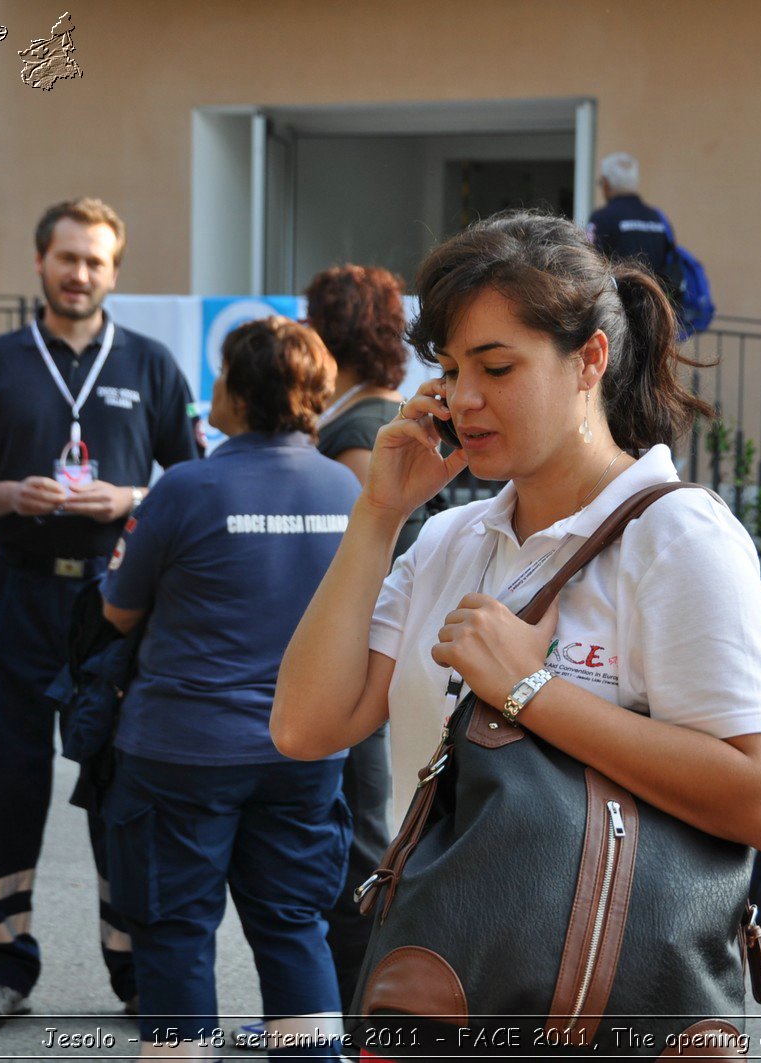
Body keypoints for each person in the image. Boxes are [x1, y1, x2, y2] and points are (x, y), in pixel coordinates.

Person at [271, 211, 761, 1050]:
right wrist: (379, 516)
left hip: (596, 1004)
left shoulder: (678, 536)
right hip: (437, 983)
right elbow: (305, 725)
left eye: (497, 365)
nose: (464, 397)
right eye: (448, 368)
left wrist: (529, 689)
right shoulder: (450, 537)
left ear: (589, 358)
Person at [0, 197, 200, 1031]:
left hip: (118, 603)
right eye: (67, 258)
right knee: (7, 783)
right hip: (19, 593)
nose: (80, 273)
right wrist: (5, 494)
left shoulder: (153, 364)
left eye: (95, 261)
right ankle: (2, 964)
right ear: (40, 262)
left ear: (114, 272)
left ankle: (134, 970)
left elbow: (189, 485)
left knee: (120, 789)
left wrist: (129, 497)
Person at [99, 317, 360, 1060]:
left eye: (220, 375)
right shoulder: (346, 488)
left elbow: (118, 610)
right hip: (304, 748)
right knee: (292, 923)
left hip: (183, 747)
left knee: (176, 930)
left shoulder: (183, 488)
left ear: (241, 393)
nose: (212, 388)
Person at [302, 264, 426, 1008]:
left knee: (354, 847)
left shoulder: (362, 426)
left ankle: (355, 1015)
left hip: (363, 656)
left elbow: (362, 556)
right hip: (365, 653)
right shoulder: (369, 412)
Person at [586, 152, 674, 277]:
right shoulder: (658, 218)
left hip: (619, 294)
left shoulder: (602, 218)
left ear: (606, 183)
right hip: (656, 294)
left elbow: (588, 260)